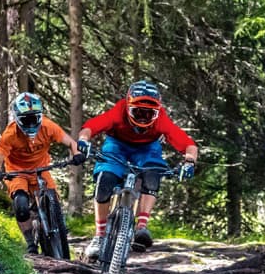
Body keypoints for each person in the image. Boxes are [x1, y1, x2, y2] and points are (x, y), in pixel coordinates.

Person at [76, 80, 197, 260]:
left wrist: (190, 162)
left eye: (149, 114)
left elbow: (187, 143)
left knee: (153, 173)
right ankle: (99, 236)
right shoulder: (119, 111)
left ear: (157, 112)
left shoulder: (161, 119)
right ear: (128, 106)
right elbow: (91, 126)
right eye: (138, 112)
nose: (143, 117)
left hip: (147, 148)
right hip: (116, 146)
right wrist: (84, 140)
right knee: (105, 181)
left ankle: (142, 226)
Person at [0, 92, 85, 253]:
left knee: (51, 198)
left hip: (41, 169)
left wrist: (77, 154)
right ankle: (30, 243)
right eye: (27, 119)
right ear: (18, 118)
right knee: (21, 206)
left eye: (34, 118)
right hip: (17, 172)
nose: (31, 123)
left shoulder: (48, 126)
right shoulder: (10, 134)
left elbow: (70, 142)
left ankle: (57, 226)